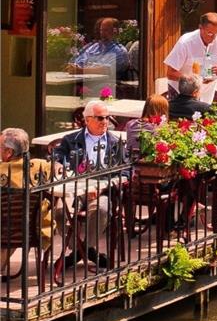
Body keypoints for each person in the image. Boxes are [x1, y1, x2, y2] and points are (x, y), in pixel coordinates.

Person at [51, 102, 123, 267]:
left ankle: (81, 251)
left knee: (102, 209)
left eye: (107, 118)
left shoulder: (114, 142)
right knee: (61, 212)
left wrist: (102, 187)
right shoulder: (70, 140)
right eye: (100, 118)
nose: (105, 121)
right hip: (74, 189)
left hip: (102, 190)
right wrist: (58, 164)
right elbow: (57, 157)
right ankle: (85, 251)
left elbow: (125, 172)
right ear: (87, 119)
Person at [0, 128, 55, 275]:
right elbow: (60, 171)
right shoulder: (41, 166)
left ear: (9, 152)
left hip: (5, 230)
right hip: (34, 230)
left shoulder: (2, 170)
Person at [164, 12, 217, 89]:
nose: (214, 37)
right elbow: (170, 73)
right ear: (200, 28)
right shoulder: (185, 42)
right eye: (210, 33)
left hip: (206, 95)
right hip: (182, 94)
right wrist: (193, 80)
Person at [67, 16, 130, 81]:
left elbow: (107, 70)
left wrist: (81, 71)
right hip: (83, 82)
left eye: (106, 30)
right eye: (101, 30)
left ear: (115, 31)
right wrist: (73, 67)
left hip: (106, 86)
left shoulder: (119, 51)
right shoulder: (93, 47)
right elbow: (78, 62)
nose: (102, 33)